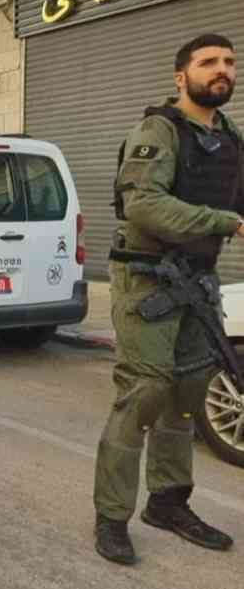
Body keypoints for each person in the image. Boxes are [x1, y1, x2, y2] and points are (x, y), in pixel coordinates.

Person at [94, 34, 241, 565]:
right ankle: (112, 516)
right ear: (182, 76)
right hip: (148, 278)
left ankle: (168, 503)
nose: (221, 70)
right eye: (208, 63)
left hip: (198, 281)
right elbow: (144, 207)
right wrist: (226, 223)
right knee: (144, 395)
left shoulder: (229, 139)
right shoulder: (158, 130)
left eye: (228, 62)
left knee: (186, 396)